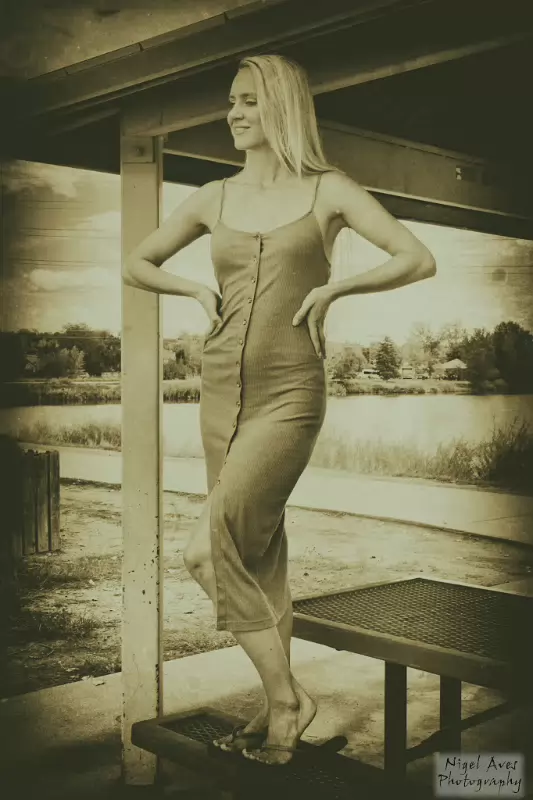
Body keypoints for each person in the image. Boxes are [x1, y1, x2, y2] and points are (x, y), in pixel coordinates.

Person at [122, 53, 436, 767]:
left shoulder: (329, 189)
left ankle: (287, 700)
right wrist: (192, 291)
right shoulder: (212, 197)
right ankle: (277, 712)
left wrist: (334, 290)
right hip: (218, 391)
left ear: (281, 107)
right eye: (231, 102)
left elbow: (416, 257)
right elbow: (136, 262)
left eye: (247, 101)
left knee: (207, 550)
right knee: (258, 556)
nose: (232, 113)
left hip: (291, 390)